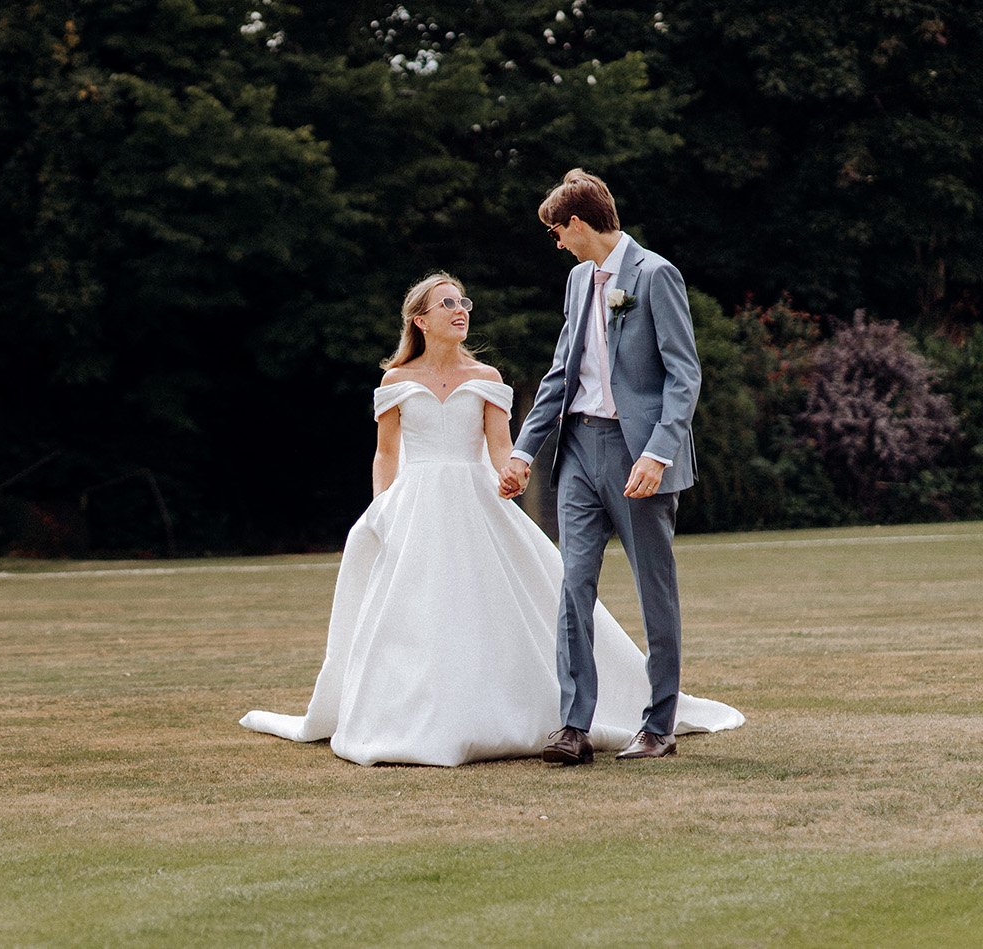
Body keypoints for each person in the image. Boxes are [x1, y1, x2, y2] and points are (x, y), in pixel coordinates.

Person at [239, 270, 742, 766]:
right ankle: (412, 715)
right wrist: (382, 508)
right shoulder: (396, 381)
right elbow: (386, 455)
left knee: (494, 600)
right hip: (416, 506)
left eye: (463, 303)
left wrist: (512, 476)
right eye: (447, 304)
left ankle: (539, 709)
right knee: (414, 609)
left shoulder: (486, 380)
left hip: (475, 503)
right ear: (420, 320)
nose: (460, 311)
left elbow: (503, 450)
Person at [500, 170, 703, 763]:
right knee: (573, 586)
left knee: (653, 591)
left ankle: (659, 724)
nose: (556, 243)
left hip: (638, 454)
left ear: (579, 224)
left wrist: (658, 453)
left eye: (557, 232)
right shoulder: (576, 280)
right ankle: (573, 726)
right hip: (578, 453)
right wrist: (522, 450)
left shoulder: (656, 274)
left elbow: (684, 375)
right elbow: (561, 372)